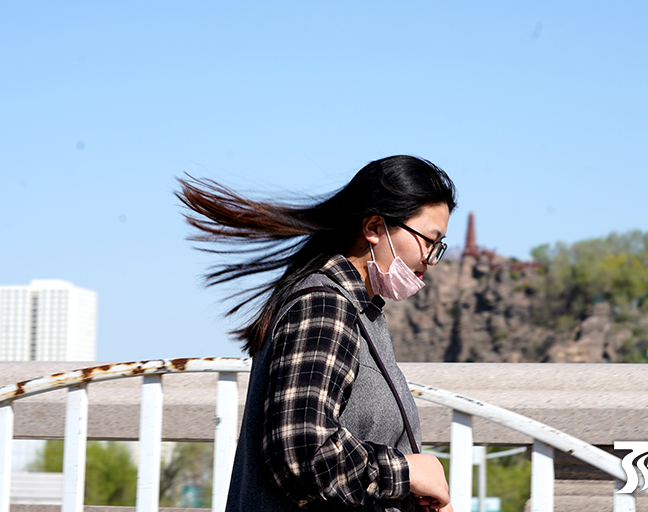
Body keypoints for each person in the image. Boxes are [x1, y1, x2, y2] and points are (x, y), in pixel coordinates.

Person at [178, 155, 457, 512]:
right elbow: (301, 449)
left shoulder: (360, 312)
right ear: (374, 227)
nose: (431, 259)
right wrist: (405, 473)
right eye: (428, 241)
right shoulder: (324, 306)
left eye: (439, 246)